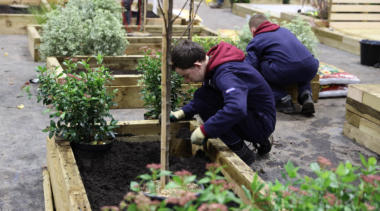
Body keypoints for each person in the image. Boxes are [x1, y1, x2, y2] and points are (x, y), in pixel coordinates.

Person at [168, 40, 276, 165]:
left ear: (197, 65)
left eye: (186, 75)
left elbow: (237, 107)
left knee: (203, 97)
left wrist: (205, 130)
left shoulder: (226, 74)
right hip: (259, 116)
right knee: (204, 95)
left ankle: (241, 152)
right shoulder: (214, 66)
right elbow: (214, 96)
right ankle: (261, 139)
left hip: (261, 122)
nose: (186, 80)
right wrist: (182, 112)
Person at [244, 14, 319, 114]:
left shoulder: (257, 40)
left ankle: (282, 99)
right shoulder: (285, 31)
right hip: (311, 66)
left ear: (253, 30)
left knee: (259, 68)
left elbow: (250, 67)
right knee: (301, 64)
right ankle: (306, 95)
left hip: (287, 71)